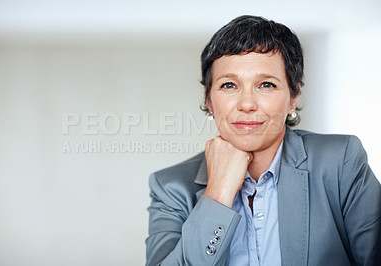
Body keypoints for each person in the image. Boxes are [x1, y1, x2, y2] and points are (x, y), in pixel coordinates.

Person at [145, 15, 381, 266]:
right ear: (209, 100)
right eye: (229, 85)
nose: (247, 104)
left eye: (266, 84)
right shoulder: (170, 186)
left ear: (293, 96)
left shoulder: (340, 162)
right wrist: (218, 194)